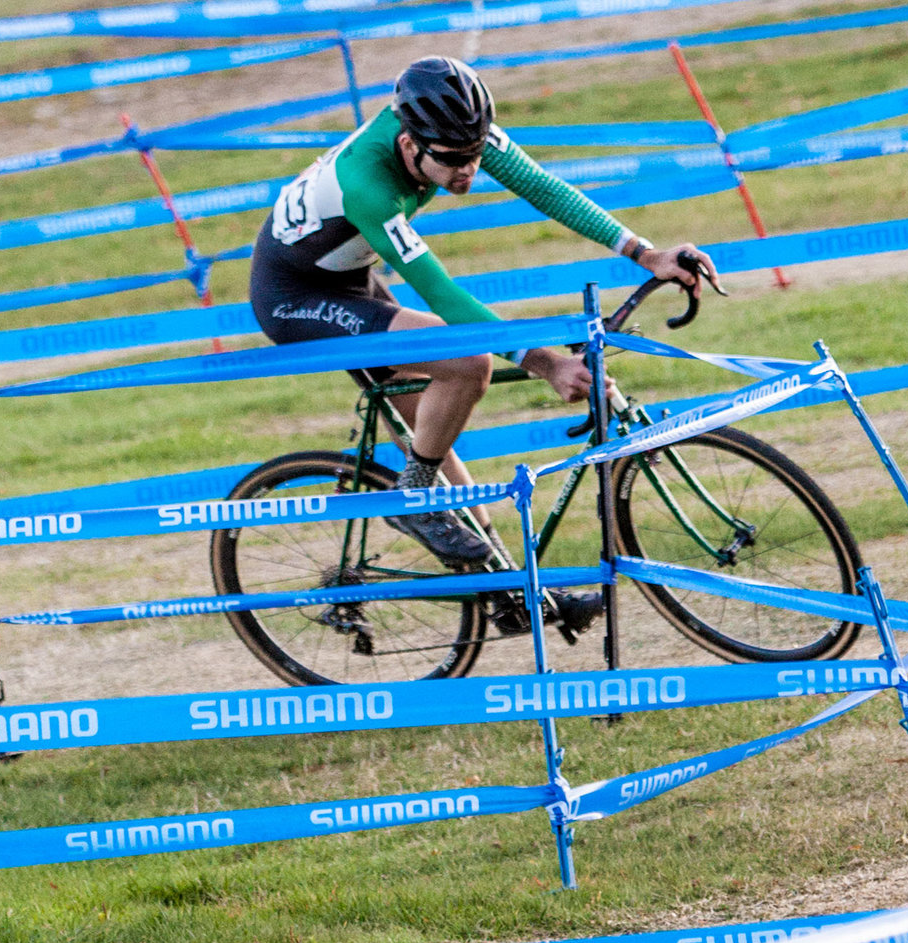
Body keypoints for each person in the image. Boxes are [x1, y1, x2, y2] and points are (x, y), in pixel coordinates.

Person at [250, 55, 713, 629]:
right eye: (451, 161)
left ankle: (508, 593)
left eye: (474, 156)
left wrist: (644, 253)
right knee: (468, 361)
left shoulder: (455, 133)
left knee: (433, 431)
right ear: (409, 144)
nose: (467, 172)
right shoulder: (370, 186)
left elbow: (543, 187)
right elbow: (446, 298)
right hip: (295, 296)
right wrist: (545, 363)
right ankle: (412, 500)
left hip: (350, 276)